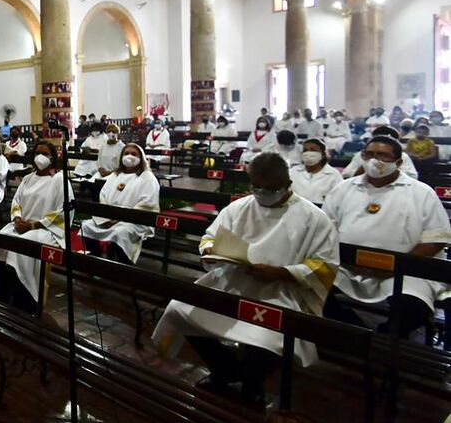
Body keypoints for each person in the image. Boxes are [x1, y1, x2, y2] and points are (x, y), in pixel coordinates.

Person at [152, 153, 339, 407]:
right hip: (230, 283)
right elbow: (209, 237)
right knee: (178, 310)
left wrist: (283, 272)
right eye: (257, 187)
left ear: (287, 183)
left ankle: (253, 383)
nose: (262, 193)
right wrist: (210, 250)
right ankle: (224, 369)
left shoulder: (313, 218)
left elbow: (324, 265)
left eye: (271, 188)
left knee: (267, 338)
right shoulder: (239, 208)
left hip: (278, 292)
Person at [323, 136, 451, 337]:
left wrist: (397, 266)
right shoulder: (344, 189)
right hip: (348, 267)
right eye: (369, 154)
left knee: (412, 308)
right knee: (312, 289)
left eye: (382, 155)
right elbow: (326, 229)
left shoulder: (420, 192)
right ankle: (359, 334)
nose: (375, 160)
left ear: (399, 162)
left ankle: (384, 340)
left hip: (405, 271)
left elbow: (436, 238)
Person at [0, 141, 65, 313]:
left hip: (44, 229)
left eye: (45, 153)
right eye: (37, 153)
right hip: (22, 224)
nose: (40, 157)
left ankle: (25, 300)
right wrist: (18, 218)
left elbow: (62, 212)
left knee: (19, 250)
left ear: (52, 157)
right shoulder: (28, 178)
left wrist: (33, 224)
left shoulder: (59, 180)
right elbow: (16, 201)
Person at [78, 143, 160, 264]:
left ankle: (123, 265)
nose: (129, 156)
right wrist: (107, 216)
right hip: (110, 218)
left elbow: (146, 203)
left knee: (120, 233)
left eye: (134, 154)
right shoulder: (115, 175)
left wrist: (121, 218)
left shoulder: (147, 177)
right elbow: (103, 196)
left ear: (141, 158)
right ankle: (96, 259)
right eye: (126, 153)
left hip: (135, 220)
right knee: (86, 226)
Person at [341, 126, 418, 178]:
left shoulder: (402, 156)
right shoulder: (362, 155)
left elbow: (413, 176)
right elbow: (346, 174)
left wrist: (390, 170)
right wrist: (363, 169)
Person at [289, 139, 343, 206]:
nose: (308, 153)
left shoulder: (333, 175)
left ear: (323, 154)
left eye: (313, 150)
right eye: (305, 150)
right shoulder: (294, 171)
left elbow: (339, 199)